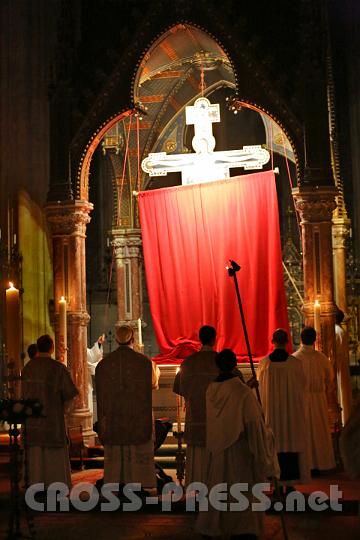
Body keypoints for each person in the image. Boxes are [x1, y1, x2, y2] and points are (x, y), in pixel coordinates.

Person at [195, 349, 279, 539]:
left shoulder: (211, 389)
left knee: (220, 489)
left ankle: (217, 524)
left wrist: (246, 388)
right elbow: (253, 423)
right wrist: (266, 442)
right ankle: (242, 527)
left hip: (218, 449)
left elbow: (228, 410)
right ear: (235, 365)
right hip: (239, 452)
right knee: (240, 492)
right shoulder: (241, 391)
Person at [95, 325, 160, 490]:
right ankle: (141, 481)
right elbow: (153, 383)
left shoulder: (104, 364)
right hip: (137, 416)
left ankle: (115, 480)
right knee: (138, 448)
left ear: (116, 340)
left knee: (117, 450)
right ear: (133, 339)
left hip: (114, 417)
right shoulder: (145, 362)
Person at [21, 334, 78, 489]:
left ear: (38, 347)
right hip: (53, 420)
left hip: (33, 422)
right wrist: (62, 411)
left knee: (36, 454)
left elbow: (22, 396)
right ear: (52, 348)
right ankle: (56, 484)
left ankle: (35, 484)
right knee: (53, 456)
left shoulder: (28, 368)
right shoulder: (57, 368)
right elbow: (70, 395)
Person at [257, 328, 310, 489]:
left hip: (272, 412)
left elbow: (260, 389)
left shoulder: (265, 364)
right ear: (287, 342)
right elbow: (303, 385)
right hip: (291, 413)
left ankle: (277, 483)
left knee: (274, 445)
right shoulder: (295, 364)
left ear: (272, 341)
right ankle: (291, 484)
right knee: (290, 442)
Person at [173, 325, 218, 484]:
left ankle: (197, 484)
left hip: (196, 417)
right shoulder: (222, 362)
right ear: (214, 339)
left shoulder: (188, 363)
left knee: (198, 457)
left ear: (200, 340)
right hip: (218, 420)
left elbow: (179, 388)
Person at [293, 326, 335, 471]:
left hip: (303, 399)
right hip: (319, 399)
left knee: (306, 431)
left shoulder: (295, 359)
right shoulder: (322, 358)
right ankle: (322, 463)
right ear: (315, 339)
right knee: (319, 430)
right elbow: (330, 378)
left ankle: (308, 464)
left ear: (300, 339)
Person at [335, 309, 353, 424]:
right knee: (343, 390)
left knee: (341, 389)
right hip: (342, 362)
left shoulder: (336, 331)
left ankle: (342, 419)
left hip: (339, 363)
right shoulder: (341, 330)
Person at [87, 334, 105, 418]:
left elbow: (90, 356)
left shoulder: (80, 346)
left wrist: (99, 344)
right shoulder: (75, 349)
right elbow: (88, 366)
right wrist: (100, 364)